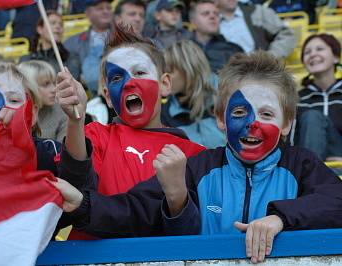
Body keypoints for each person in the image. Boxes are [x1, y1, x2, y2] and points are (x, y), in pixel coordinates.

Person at [50, 51, 342, 264]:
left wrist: (281, 218)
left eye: (266, 114)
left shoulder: (301, 165)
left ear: (287, 123)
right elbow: (134, 210)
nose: (252, 123)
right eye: (239, 112)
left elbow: (336, 201)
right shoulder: (199, 166)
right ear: (220, 119)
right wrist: (82, 204)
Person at [55, 23, 206, 239]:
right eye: (117, 77)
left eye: (140, 72)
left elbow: (192, 232)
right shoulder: (95, 135)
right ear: (107, 96)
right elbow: (74, 189)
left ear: (164, 84)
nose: (128, 83)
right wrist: (74, 121)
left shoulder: (196, 155)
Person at [161, 40, 226, 148]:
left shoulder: (226, 96)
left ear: (188, 69)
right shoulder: (166, 110)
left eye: (169, 71)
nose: (163, 77)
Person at [292, 33, 342, 161]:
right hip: (312, 165)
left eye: (320, 49)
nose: (313, 54)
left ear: (336, 57)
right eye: (307, 52)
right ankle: (311, 175)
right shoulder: (298, 98)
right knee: (312, 117)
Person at [64, 0, 113, 95]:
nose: (105, 11)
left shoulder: (124, 38)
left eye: (109, 8)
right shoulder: (72, 42)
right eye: (100, 8)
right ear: (88, 13)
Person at [216, 0, 295, 58]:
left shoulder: (258, 12)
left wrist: (271, 56)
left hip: (261, 70)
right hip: (227, 74)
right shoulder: (209, 20)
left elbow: (286, 34)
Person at [20, 10, 81, 80]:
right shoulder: (26, 60)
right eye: (53, 23)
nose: (58, 27)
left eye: (61, 25)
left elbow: (71, 83)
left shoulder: (71, 58)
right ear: (40, 29)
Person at [18, 60, 67, 142]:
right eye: (46, 84)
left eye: (54, 83)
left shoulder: (62, 112)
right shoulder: (13, 113)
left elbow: (64, 152)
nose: (54, 89)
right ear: (28, 86)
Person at [188, 0, 243, 73]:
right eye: (205, 13)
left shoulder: (234, 50)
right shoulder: (182, 50)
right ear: (193, 21)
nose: (212, 16)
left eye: (216, 14)